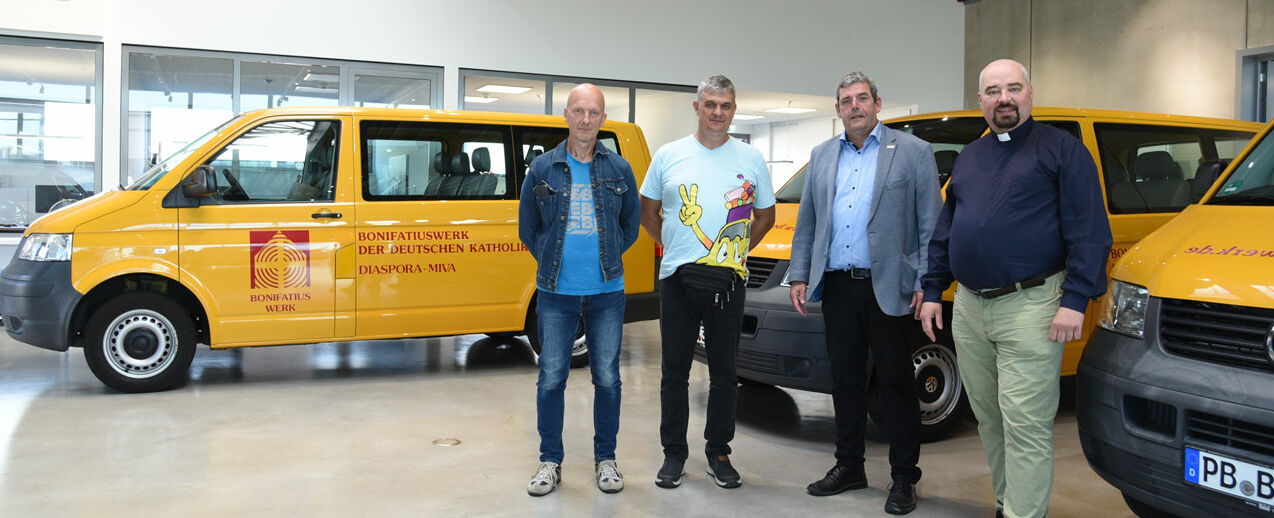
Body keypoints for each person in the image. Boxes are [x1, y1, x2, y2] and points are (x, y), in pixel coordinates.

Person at [918, 59, 1112, 518]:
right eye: (992, 91)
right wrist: (931, 290)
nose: (1003, 98)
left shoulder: (1062, 151)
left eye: (1013, 88)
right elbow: (947, 230)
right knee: (990, 419)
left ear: (1030, 93)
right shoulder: (971, 156)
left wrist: (1075, 300)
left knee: (1025, 424)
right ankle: (1009, 505)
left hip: (1034, 306)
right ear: (981, 100)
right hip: (968, 306)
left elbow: (1089, 230)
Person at [787, 71, 941, 515]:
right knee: (846, 382)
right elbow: (809, 223)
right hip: (837, 285)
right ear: (837, 109)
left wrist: (927, 283)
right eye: (845, 100)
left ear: (877, 103)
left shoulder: (912, 153)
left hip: (890, 287)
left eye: (861, 98)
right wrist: (800, 274)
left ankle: (904, 478)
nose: (854, 106)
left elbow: (931, 223)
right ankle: (849, 465)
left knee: (895, 384)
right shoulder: (821, 156)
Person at [639, 74, 775, 490]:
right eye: (711, 104)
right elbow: (649, 213)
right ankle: (674, 454)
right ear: (696, 107)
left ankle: (718, 451)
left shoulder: (750, 158)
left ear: (734, 110)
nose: (718, 112)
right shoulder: (668, 155)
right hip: (677, 280)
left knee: (723, 372)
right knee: (674, 371)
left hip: (729, 281)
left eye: (726, 105)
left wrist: (730, 253)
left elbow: (765, 217)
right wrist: (678, 248)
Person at [518, 83, 641, 496]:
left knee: (607, 377)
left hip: (607, 292)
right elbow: (528, 228)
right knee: (551, 377)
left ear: (602, 119)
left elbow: (630, 226)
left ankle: (606, 459)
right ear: (566, 115)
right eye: (579, 112)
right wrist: (555, 258)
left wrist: (604, 257)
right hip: (555, 293)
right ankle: (549, 461)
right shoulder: (542, 168)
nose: (586, 120)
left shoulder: (619, 169)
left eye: (594, 113)